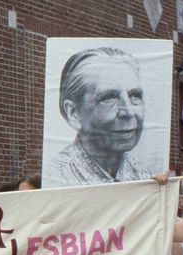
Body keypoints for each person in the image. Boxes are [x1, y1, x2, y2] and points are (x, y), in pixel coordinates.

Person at [46, 47, 151, 186]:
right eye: (109, 97)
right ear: (73, 113)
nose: (129, 112)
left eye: (135, 96)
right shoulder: (54, 178)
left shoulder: (143, 175)